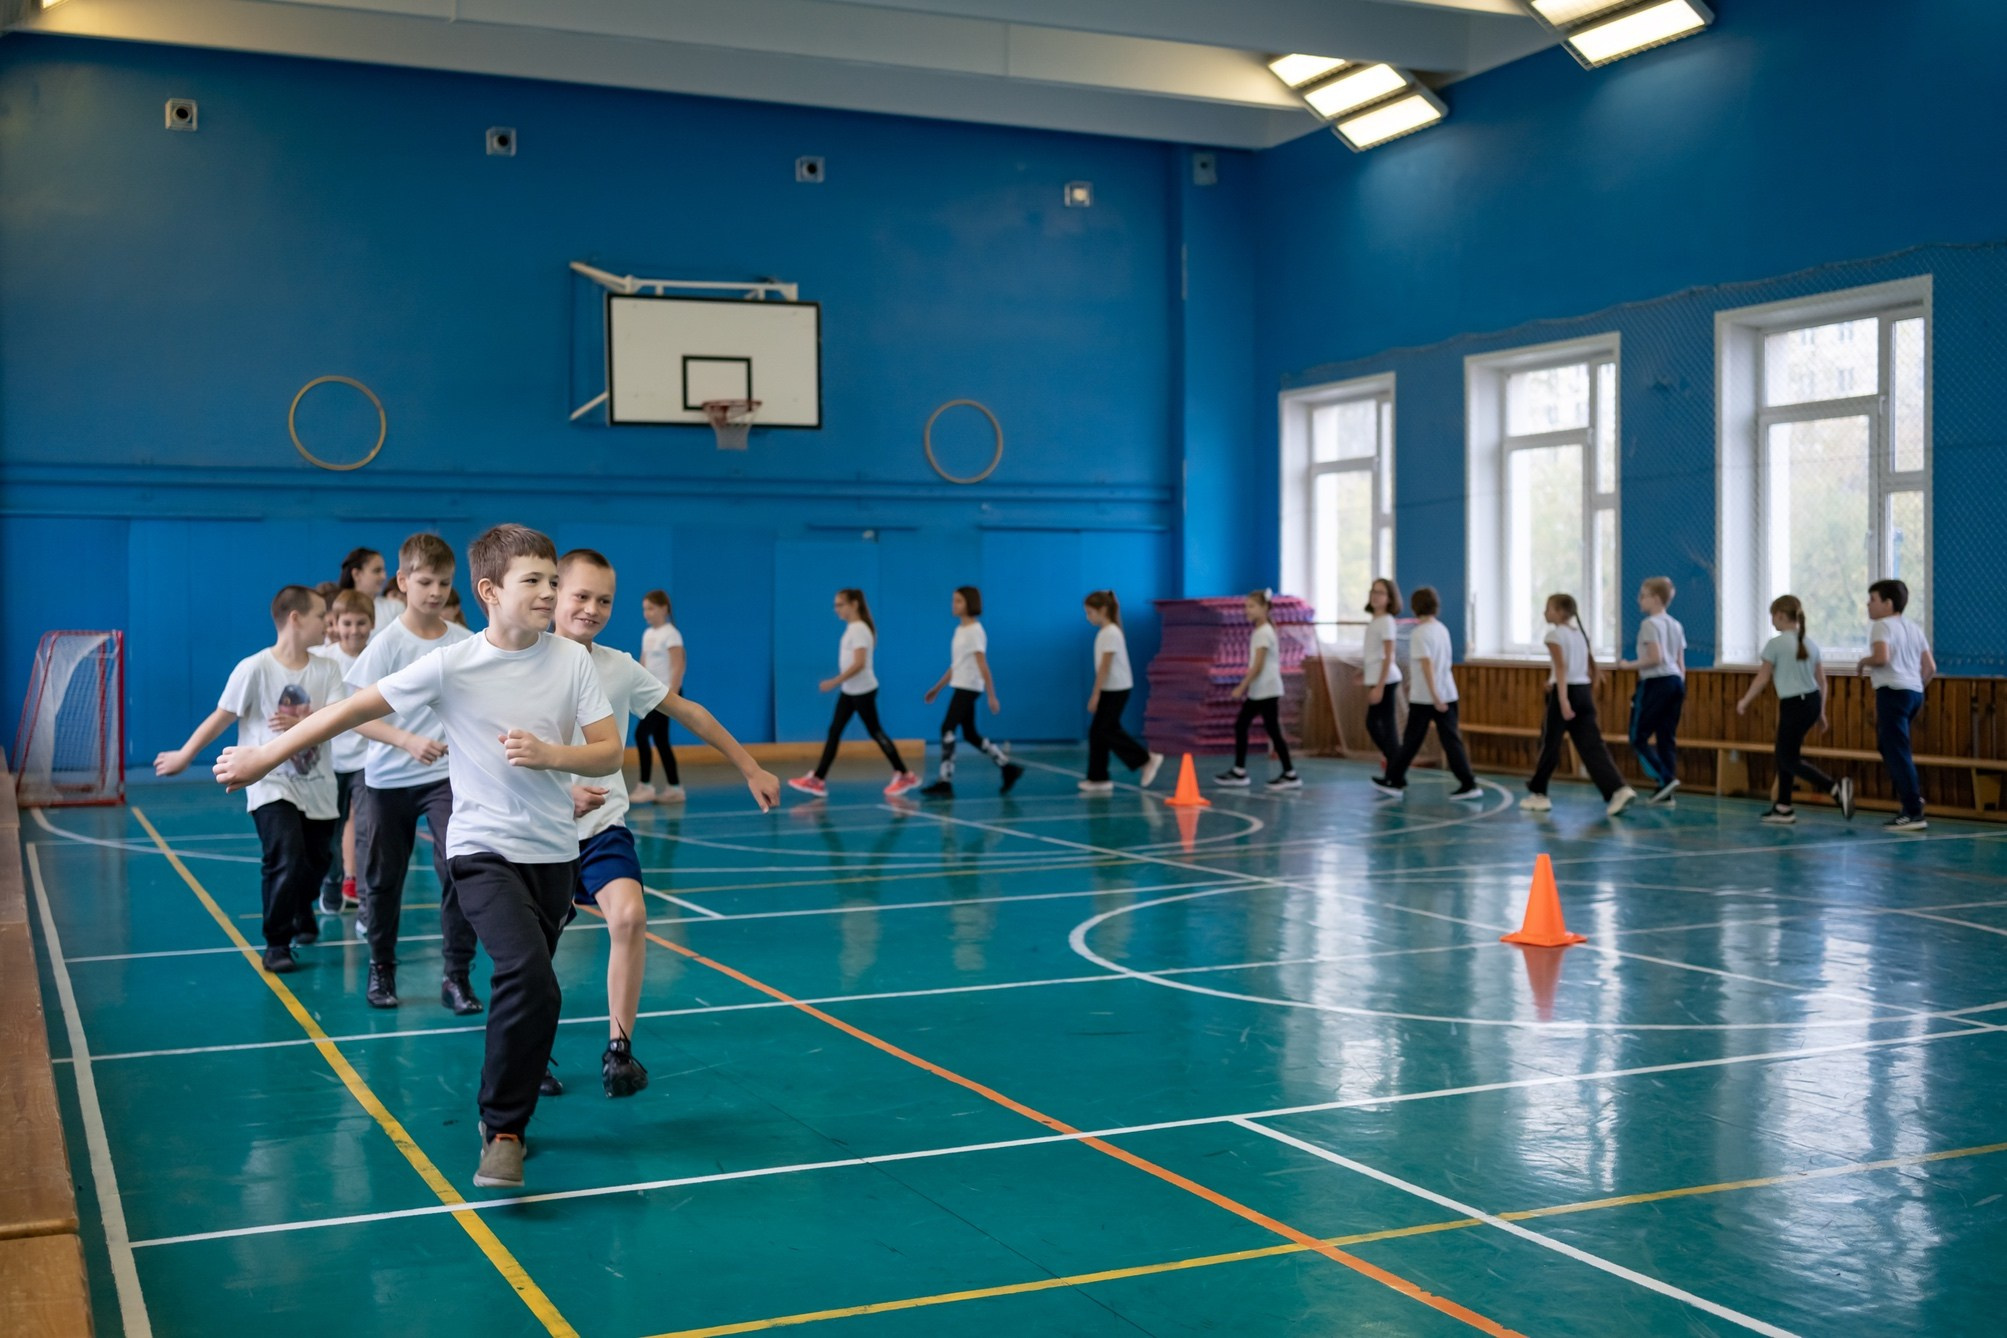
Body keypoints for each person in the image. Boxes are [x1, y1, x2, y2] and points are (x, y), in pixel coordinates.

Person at [214, 523, 628, 1190]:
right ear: (490, 591)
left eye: (554, 580)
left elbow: (608, 751)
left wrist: (553, 756)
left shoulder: (571, 662)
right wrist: (264, 755)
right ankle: (504, 1130)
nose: (550, 592)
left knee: (533, 988)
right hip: (481, 849)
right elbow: (350, 709)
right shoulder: (452, 665)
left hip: (554, 854)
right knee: (529, 975)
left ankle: (504, 1103)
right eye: (535, 581)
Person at [553, 551, 779, 1096]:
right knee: (533, 953)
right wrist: (560, 793)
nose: (592, 608)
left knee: (629, 917)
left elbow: (690, 712)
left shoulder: (618, 665)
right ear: (554, 594)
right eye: (580, 596)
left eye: (604, 600)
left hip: (604, 826)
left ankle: (619, 1050)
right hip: (539, 834)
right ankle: (528, 1051)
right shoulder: (520, 661)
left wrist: (749, 766)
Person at [155, 586, 343, 971]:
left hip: (319, 786)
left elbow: (338, 719)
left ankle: (300, 908)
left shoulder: (328, 669)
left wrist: (304, 720)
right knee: (285, 856)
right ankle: (277, 943)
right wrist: (185, 755)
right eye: (322, 615)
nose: (329, 623)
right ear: (296, 618)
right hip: (270, 784)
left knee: (317, 864)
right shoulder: (255, 668)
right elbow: (221, 716)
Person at [344, 534, 481, 1014]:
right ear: (402, 582)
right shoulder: (386, 645)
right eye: (425, 581)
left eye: (444, 582)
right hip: (387, 781)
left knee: (457, 870)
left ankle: (457, 976)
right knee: (383, 878)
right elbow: (354, 714)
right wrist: (406, 740)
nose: (436, 591)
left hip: (446, 778)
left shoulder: (465, 644)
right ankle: (381, 968)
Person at [1736, 594, 1855, 825]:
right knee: (1786, 755)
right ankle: (1783, 807)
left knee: (1787, 758)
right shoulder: (1809, 643)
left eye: (1773, 617)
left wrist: (1745, 700)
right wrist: (1820, 712)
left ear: (1781, 615)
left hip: (1794, 704)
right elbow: (1822, 682)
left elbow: (1762, 678)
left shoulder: (1776, 644)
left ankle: (1834, 788)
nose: (1772, 622)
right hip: (1810, 703)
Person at [789, 588, 919, 798]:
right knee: (835, 731)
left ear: (854, 604)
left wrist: (833, 682)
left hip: (862, 691)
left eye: (840, 604)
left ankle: (905, 774)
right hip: (850, 691)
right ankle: (818, 779)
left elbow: (859, 664)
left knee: (875, 731)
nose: (836, 609)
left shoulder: (859, 629)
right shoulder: (853, 628)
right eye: (835, 605)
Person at [1520, 593, 1637, 817]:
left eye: (1549, 608)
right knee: (1592, 746)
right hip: (1583, 693)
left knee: (1550, 744)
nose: (1545, 612)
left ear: (1560, 612)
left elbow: (1562, 668)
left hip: (1566, 694)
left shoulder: (1554, 635)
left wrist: (1562, 699)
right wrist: (1554, 682)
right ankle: (1618, 789)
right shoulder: (1579, 635)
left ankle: (1539, 794)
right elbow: (1576, 668)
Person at [1370, 586, 1480, 802]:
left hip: (1427, 698)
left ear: (1414, 607)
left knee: (1413, 741)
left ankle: (1395, 779)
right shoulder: (1441, 629)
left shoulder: (1420, 633)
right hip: (1448, 693)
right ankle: (1466, 782)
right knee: (1447, 741)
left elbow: (1428, 666)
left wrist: (1435, 697)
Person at [920, 586, 1024, 798]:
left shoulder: (975, 631)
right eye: (953, 601)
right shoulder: (960, 631)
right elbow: (956, 665)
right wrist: (937, 688)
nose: (954, 605)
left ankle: (945, 781)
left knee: (947, 727)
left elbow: (982, 664)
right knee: (970, 734)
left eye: (958, 601)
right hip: (960, 683)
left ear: (969, 603)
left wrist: (992, 695)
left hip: (970, 686)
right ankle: (1008, 768)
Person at [312, 589, 373, 914]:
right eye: (347, 623)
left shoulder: (378, 655)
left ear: (371, 624)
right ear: (335, 624)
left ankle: (364, 897)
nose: (354, 630)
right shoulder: (324, 659)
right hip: (331, 760)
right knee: (331, 832)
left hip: (367, 760)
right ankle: (332, 882)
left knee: (365, 830)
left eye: (361, 623)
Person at [1857, 578, 1935, 831]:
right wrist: (1915, 684)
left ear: (1888, 604)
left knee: (1897, 751)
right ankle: (1911, 800)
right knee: (1890, 745)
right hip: (1914, 693)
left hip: (1893, 693)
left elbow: (1882, 658)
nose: (1868, 605)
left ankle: (1913, 810)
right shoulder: (1913, 628)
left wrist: (1862, 661)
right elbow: (1930, 667)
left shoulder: (1882, 626)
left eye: (1873, 600)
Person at [1080, 590, 1163, 794]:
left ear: (1103, 610)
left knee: (1106, 730)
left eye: (1090, 613)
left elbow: (1105, 667)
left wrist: (1095, 694)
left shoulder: (1110, 633)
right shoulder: (1109, 631)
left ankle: (1146, 760)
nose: (1088, 617)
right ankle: (1098, 778)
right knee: (1098, 731)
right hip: (1112, 687)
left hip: (1115, 688)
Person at [1217, 589, 1300, 790]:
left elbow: (1259, 666)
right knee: (1244, 726)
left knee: (1267, 730)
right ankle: (1240, 770)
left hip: (1266, 690)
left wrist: (1241, 686)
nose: (1247, 610)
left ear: (1264, 608)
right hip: (1261, 690)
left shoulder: (1263, 632)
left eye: (1252, 606)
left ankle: (1289, 774)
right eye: (1246, 606)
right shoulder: (1261, 630)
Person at [1620, 576, 1687, 805]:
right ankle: (1665, 790)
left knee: (1637, 737)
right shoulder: (1676, 625)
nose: (1639, 599)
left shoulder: (1649, 624)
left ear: (1656, 599)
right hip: (1676, 682)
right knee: (1666, 737)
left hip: (1656, 682)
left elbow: (1655, 658)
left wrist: (1628, 665)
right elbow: (1680, 662)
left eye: (1644, 595)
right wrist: (1679, 684)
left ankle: (1665, 777)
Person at [631, 590, 685, 805]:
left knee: (641, 735)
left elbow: (678, 665)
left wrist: (673, 694)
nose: (647, 613)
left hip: (665, 695)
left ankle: (645, 786)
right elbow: (643, 664)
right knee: (661, 741)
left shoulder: (671, 634)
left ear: (663, 609)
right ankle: (675, 788)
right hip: (650, 695)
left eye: (651, 608)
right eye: (644, 609)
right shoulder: (648, 634)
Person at [1361, 578, 1403, 771]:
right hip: (1377, 678)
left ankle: (1396, 767)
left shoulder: (1386, 621)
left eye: (1380, 593)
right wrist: (1364, 673)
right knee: (1378, 725)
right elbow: (1374, 654)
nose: (1375, 596)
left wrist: (1379, 686)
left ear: (1389, 598)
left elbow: (1388, 656)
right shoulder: (1375, 621)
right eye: (1373, 591)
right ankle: (1395, 764)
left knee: (1383, 726)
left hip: (1386, 681)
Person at [338, 546, 401, 640]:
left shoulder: (395, 607)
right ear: (356, 574)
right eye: (377, 571)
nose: (383, 576)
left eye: (383, 570)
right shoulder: (337, 607)